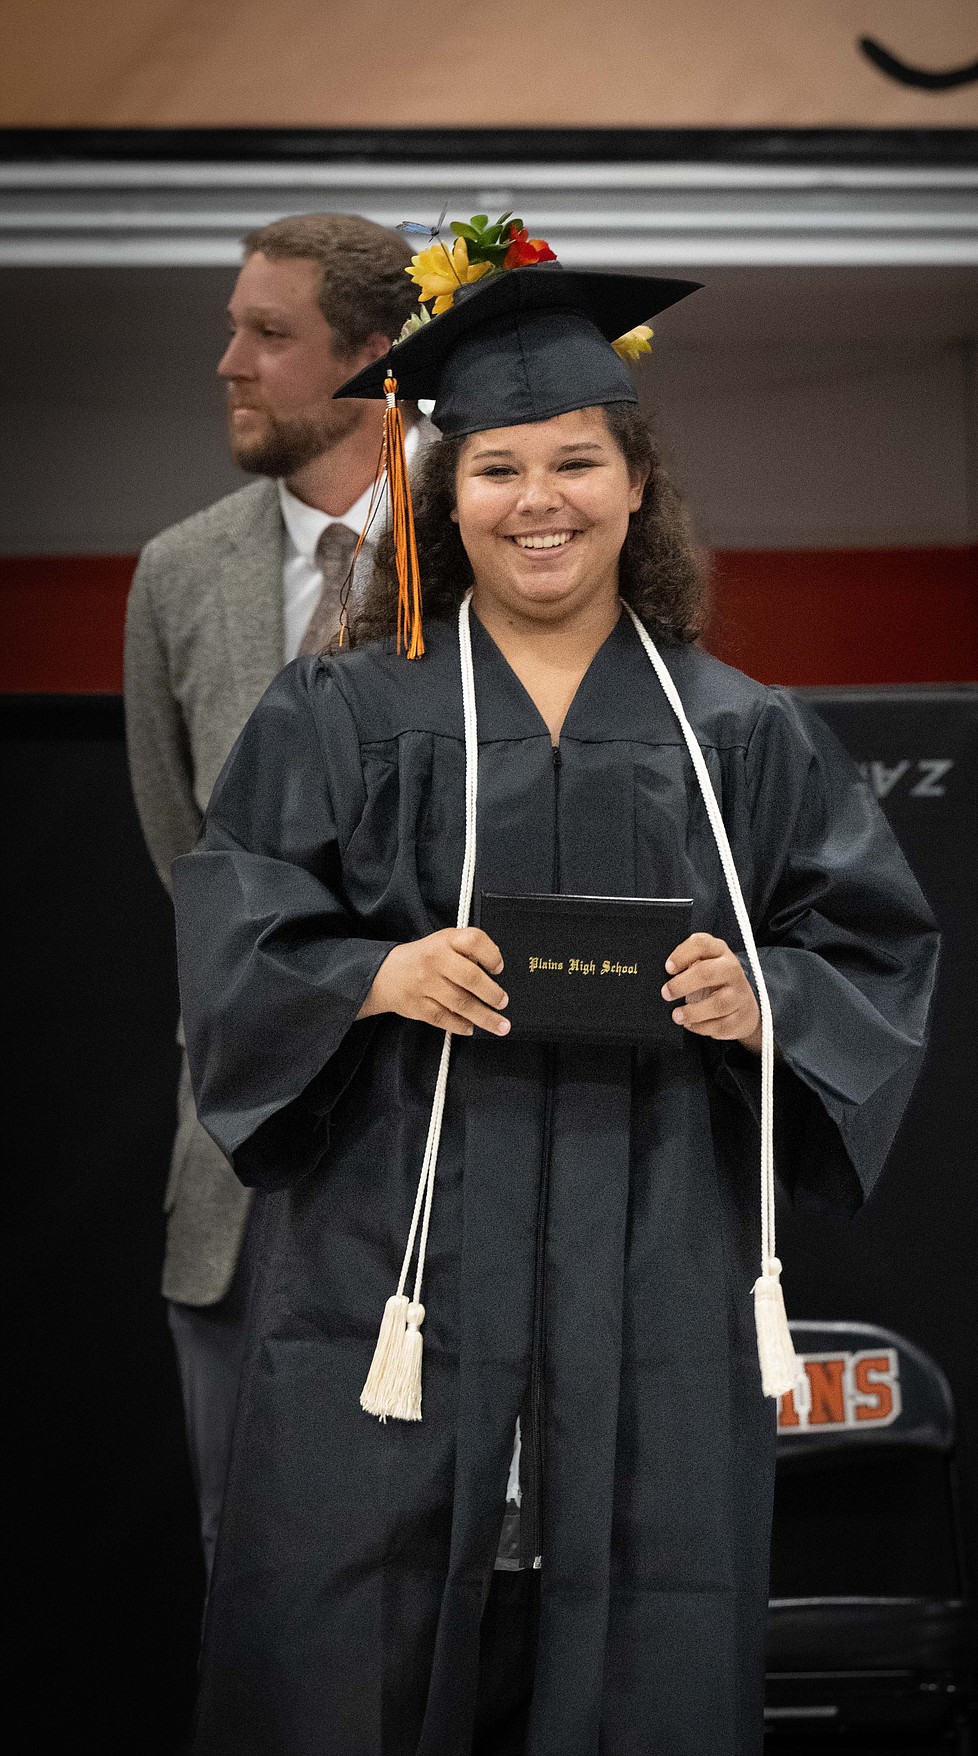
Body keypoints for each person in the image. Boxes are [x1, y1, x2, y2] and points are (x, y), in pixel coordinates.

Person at [173, 226, 939, 1755]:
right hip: (390, 1249)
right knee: (347, 1637)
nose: (540, 503)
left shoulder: (739, 733)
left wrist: (759, 995)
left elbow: (871, 948)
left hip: (645, 1244)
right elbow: (236, 919)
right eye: (498, 468)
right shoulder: (342, 710)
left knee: (645, 1625)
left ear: (636, 483)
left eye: (576, 463)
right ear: (444, 502)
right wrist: (376, 972)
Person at [123, 211, 423, 1576]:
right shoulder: (178, 576)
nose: (230, 363)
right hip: (241, 1184)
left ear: (371, 357)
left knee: (455, 1579)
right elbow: (188, 866)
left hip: (449, 1172)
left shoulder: (503, 540)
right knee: (254, 1574)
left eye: (270, 334)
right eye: (233, 326)